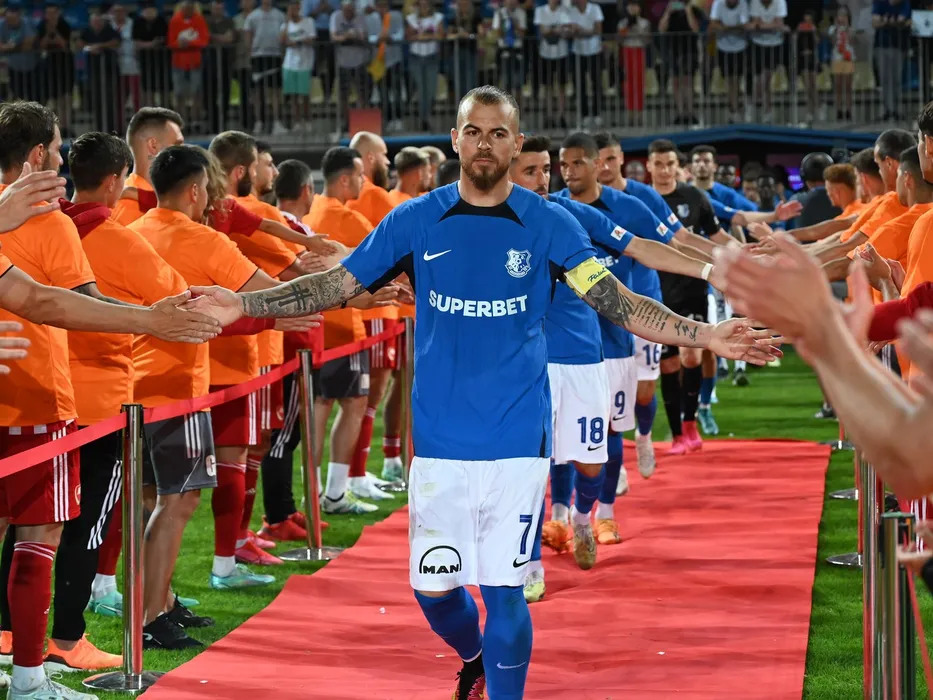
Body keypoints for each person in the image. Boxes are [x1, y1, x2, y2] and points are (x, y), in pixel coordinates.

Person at [185, 86, 780, 699]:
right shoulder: (416, 219)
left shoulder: (549, 223)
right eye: (474, 132)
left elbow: (619, 303)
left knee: (504, 589)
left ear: (516, 143)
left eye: (498, 133)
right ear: (456, 140)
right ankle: (474, 658)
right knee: (433, 590)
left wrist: (707, 334)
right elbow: (336, 284)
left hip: (517, 442)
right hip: (440, 445)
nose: (485, 144)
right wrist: (244, 305)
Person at [0, 103, 218, 699]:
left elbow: (32, 297)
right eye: (56, 148)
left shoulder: (68, 223)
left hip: (49, 398)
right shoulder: (55, 225)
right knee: (45, 536)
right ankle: (41, 667)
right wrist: (151, 318)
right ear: (39, 155)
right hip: (49, 400)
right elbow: (56, 303)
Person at [646, 139, 730, 454]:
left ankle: (691, 423)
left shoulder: (694, 197)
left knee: (692, 356)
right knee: (668, 364)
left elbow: (716, 235)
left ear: (678, 167)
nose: (664, 170)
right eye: (658, 164)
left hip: (692, 286)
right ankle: (677, 434)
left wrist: (742, 254)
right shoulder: (641, 200)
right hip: (655, 290)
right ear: (649, 166)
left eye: (670, 164)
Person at [346, 132, 403, 500]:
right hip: (380, 307)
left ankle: (357, 471)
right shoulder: (375, 198)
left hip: (366, 307)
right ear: (368, 158)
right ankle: (356, 473)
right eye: (383, 155)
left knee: (365, 396)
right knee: (369, 395)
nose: (387, 162)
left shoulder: (351, 201)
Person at [112, 108, 186, 227]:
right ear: (153, 146)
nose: (185, 152)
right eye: (177, 144)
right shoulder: (129, 207)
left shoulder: (133, 195)